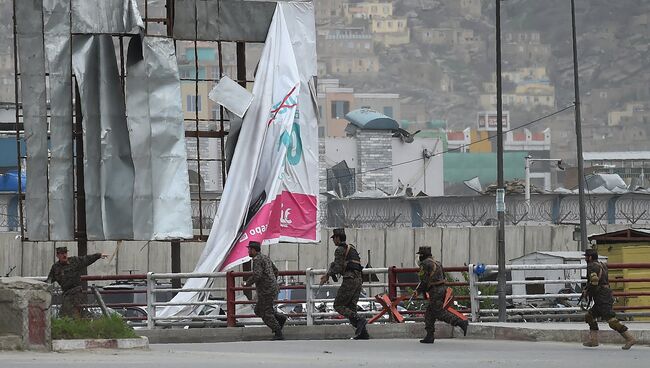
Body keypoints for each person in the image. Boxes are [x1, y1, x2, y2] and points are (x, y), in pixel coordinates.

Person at [320, 228, 369, 340]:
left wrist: (327, 275)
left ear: (337, 238)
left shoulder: (339, 250)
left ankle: (360, 320)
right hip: (358, 280)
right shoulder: (352, 248)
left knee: (338, 305)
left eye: (334, 238)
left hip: (350, 279)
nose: (333, 241)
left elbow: (337, 267)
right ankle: (362, 333)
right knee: (351, 307)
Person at [582, 248, 636, 349]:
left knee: (611, 320)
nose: (585, 258)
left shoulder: (591, 266)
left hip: (602, 296)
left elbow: (594, 280)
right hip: (604, 295)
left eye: (586, 256)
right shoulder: (602, 265)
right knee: (589, 316)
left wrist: (588, 292)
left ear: (589, 257)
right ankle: (593, 341)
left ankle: (630, 338)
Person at [413, 246, 468, 344]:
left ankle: (460, 322)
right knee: (429, 313)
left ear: (422, 255)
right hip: (442, 289)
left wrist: (418, 291)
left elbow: (424, 280)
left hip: (435, 291)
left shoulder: (425, 264)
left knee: (439, 312)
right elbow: (444, 276)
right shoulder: (437, 263)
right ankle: (429, 336)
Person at [46, 246, 108, 318]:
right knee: (64, 315)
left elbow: (87, 259)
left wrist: (98, 255)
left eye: (65, 253)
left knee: (74, 313)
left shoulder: (74, 261)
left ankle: (79, 322)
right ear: (57, 255)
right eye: (62, 253)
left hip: (76, 292)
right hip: (66, 293)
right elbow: (49, 280)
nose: (64, 255)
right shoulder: (55, 267)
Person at [244, 241, 287, 340]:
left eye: (249, 249)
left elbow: (257, 275)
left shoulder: (257, 260)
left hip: (266, 291)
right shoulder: (265, 257)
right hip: (271, 289)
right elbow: (276, 270)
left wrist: (247, 283)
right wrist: (272, 281)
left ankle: (278, 332)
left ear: (254, 250)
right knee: (258, 310)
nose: (248, 251)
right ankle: (280, 318)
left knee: (265, 313)